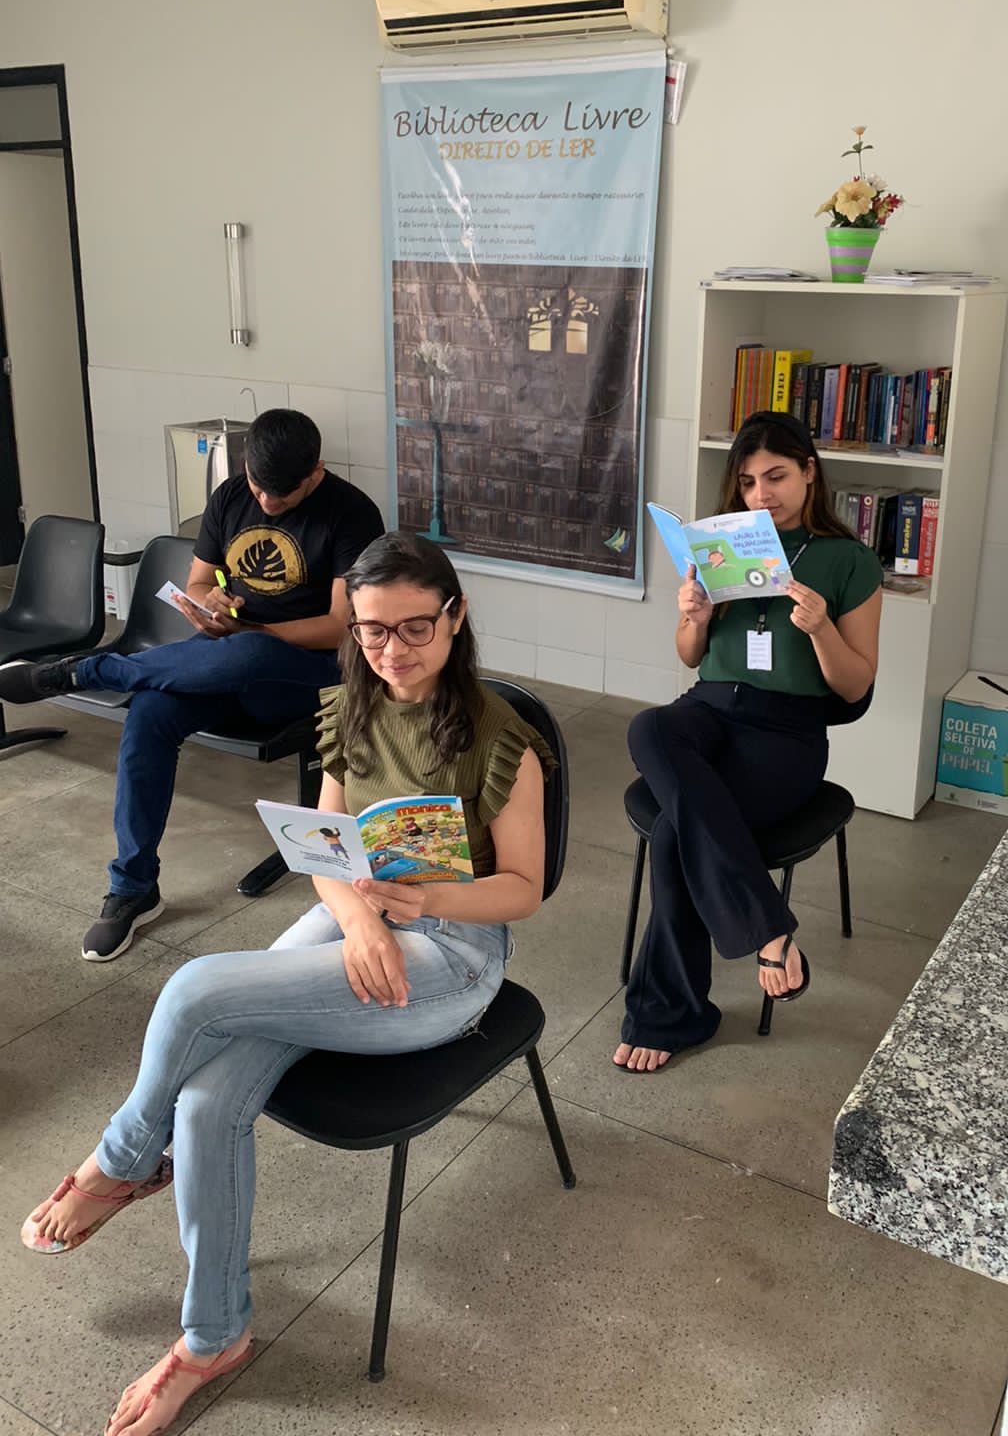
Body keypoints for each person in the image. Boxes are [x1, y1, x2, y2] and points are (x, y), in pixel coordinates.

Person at [19, 531, 555, 1435]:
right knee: (205, 1104)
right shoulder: (352, 703)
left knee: (192, 990)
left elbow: (524, 890)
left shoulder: (505, 743)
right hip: (359, 922)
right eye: (374, 632)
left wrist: (421, 900)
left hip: (454, 955)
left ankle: (115, 1165)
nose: (392, 651)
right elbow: (324, 850)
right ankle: (213, 1337)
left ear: (456, 620)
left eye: (415, 628)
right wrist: (353, 920)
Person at [0, 408, 384, 961]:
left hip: (311, 676)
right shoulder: (230, 496)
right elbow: (201, 580)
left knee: (249, 651)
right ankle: (133, 887)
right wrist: (210, 605)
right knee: (150, 712)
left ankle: (91, 670)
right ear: (248, 467)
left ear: (316, 472)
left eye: (284, 495)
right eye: (260, 488)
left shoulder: (352, 513)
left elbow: (338, 625)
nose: (268, 502)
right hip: (224, 661)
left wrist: (251, 631)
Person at [614, 411, 883, 1073]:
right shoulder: (723, 548)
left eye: (778, 476)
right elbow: (689, 658)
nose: (763, 493)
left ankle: (673, 1014)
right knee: (647, 726)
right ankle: (768, 923)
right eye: (749, 480)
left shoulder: (849, 560)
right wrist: (693, 618)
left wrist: (820, 629)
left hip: (785, 733)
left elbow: (855, 687)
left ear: (809, 472)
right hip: (707, 713)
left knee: (678, 832)